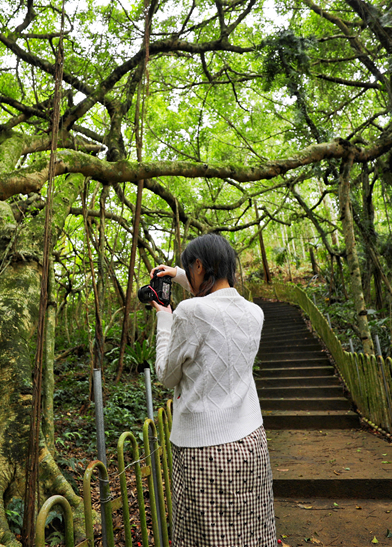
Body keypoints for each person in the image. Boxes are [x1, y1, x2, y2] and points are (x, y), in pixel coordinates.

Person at [150, 233, 276, 547]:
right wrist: (180, 276)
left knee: (207, 537)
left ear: (199, 265)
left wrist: (164, 318)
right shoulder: (254, 314)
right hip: (251, 444)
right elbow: (220, 306)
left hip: (205, 450)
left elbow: (165, 375)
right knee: (251, 531)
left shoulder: (189, 313)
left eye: (188, 268)